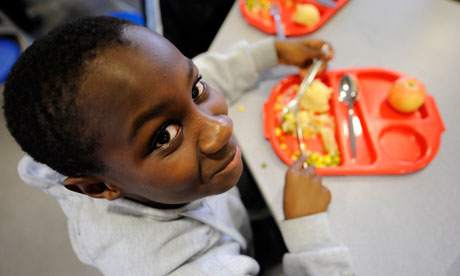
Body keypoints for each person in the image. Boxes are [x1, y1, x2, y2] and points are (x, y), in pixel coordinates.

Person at [3, 16, 353, 275]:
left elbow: (188, 74)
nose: (220, 128)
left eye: (197, 91)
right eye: (164, 137)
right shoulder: (181, 267)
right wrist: (308, 233)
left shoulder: (109, 149)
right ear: (98, 186)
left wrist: (266, 54)